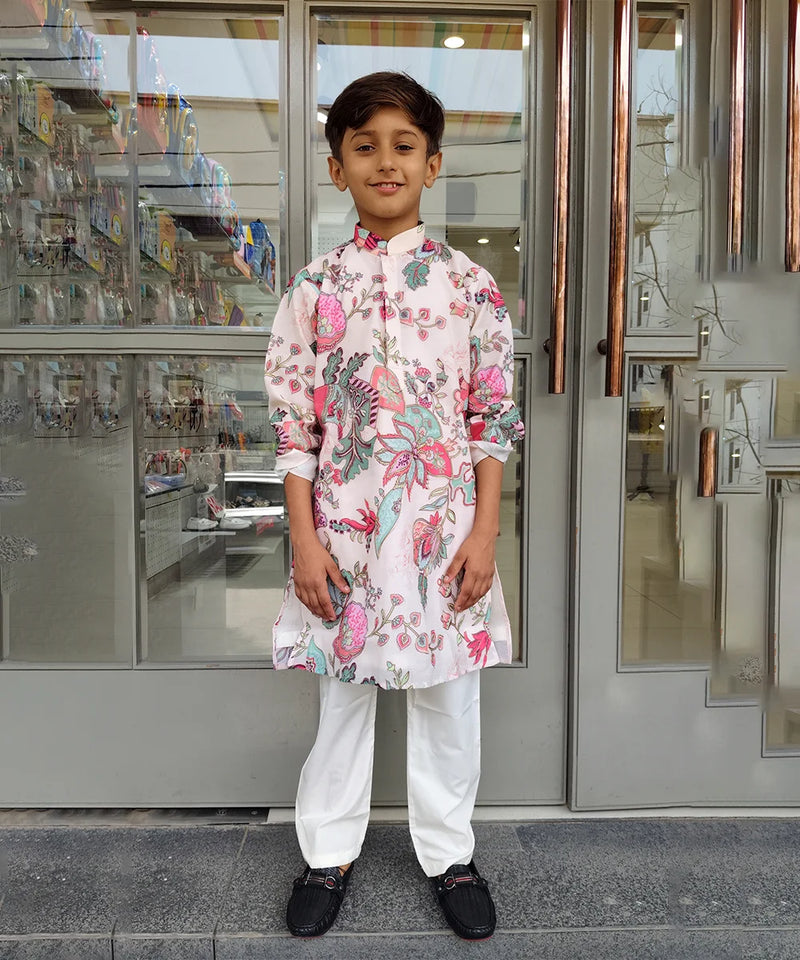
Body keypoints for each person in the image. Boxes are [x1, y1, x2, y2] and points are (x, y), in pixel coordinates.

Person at [264, 71, 525, 941]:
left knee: (449, 698)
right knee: (343, 696)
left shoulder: (472, 289)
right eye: (364, 145)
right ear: (337, 167)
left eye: (403, 145)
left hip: (447, 532)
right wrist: (304, 542)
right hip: (342, 530)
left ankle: (450, 856)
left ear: (433, 163)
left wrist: (486, 533)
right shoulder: (311, 292)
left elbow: (492, 423)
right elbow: (295, 429)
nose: (386, 161)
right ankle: (328, 853)